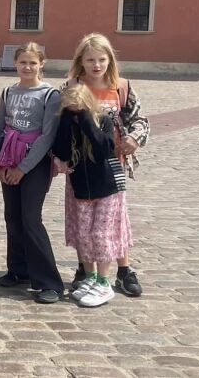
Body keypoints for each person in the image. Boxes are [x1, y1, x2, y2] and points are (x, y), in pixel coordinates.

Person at [64, 33, 149, 297]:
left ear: (110, 60)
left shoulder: (121, 87)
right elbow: (60, 123)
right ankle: (85, 269)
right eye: (90, 60)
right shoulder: (71, 86)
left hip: (112, 164)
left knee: (112, 221)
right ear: (81, 60)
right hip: (80, 165)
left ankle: (123, 270)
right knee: (82, 220)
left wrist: (134, 138)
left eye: (101, 59)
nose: (96, 65)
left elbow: (139, 119)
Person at [0, 43, 63, 304]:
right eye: (23, 62)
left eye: (32, 63)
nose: (27, 67)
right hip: (8, 158)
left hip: (35, 163)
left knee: (31, 218)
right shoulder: (8, 91)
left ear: (41, 64)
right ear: (15, 63)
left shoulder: (50, 95)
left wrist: (23, 168)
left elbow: (47, 136)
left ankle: (49, 281)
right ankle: (18, 269)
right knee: (12, 216)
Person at [53, 84, 128, 308]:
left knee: (100, 234)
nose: (76, 113)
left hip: (106, 186)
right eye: (71, 109)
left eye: (80, 109)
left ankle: (104, 282)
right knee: (84, 234)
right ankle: (90, 276)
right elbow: (62, 151)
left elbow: (104, 149)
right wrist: (66, 122)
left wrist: (87, 120)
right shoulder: (67, 123)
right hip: (81, 188)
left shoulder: (102, 121)